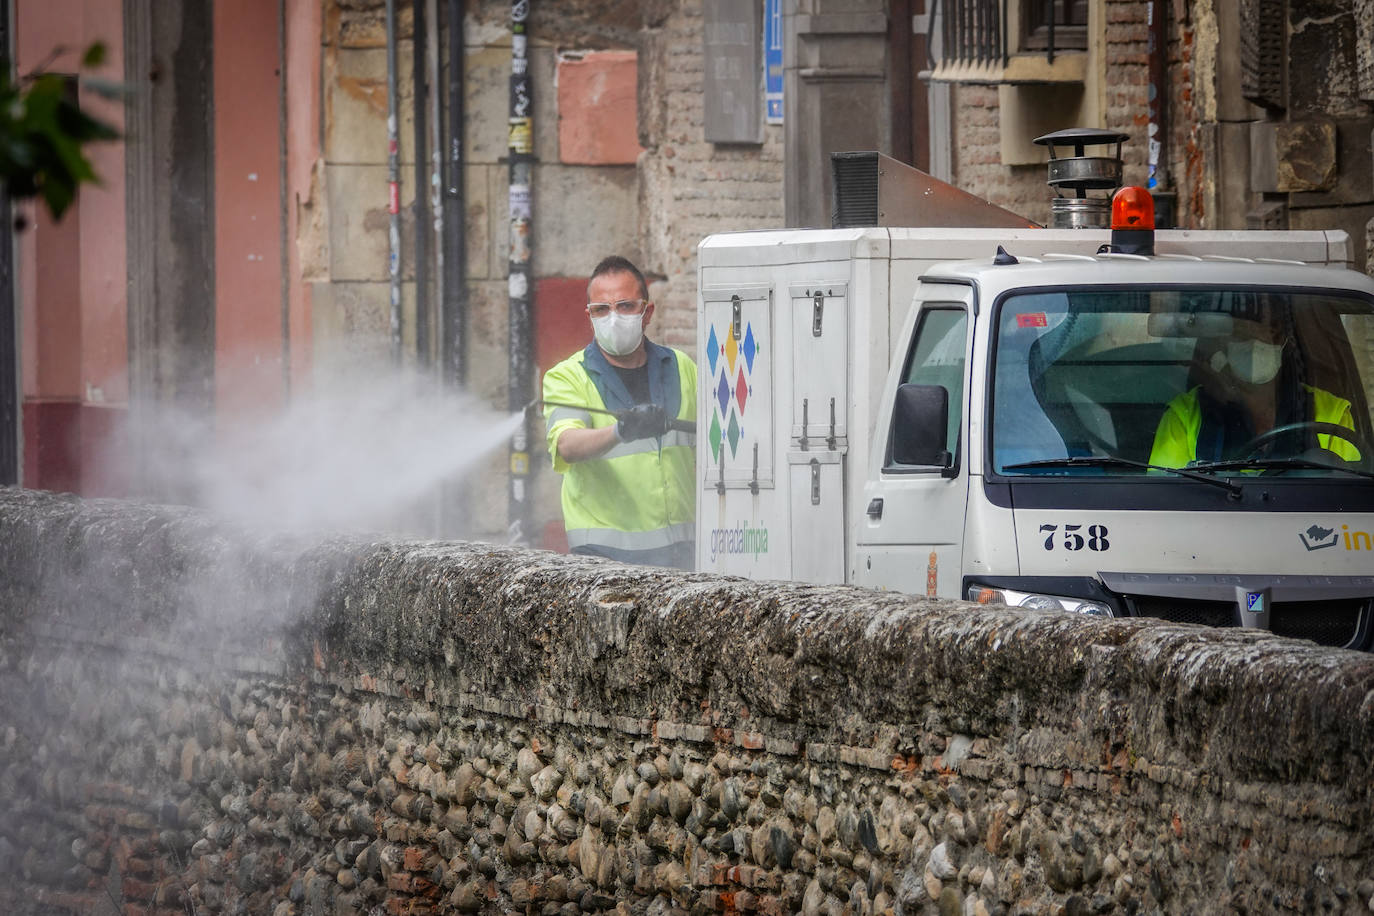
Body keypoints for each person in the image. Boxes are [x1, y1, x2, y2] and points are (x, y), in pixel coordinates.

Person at [542, 256, 697, 569]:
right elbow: (566, 445)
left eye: (625, 306)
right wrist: (620, 431)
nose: (613, 317)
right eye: (601, 309)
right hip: (603, 560)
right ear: (590, 316)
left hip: (684, 553)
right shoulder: (568, 376)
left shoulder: (682, 367)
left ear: (647, 311)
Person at [1149, 303, 1361, 468]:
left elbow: (1347, 496)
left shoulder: (1332, 413)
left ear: (1281, 336)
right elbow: (1164, 498)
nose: (1251, 343)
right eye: (1239, 335)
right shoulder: (1185, 415)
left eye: (1263, 329)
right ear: (1220, 343)